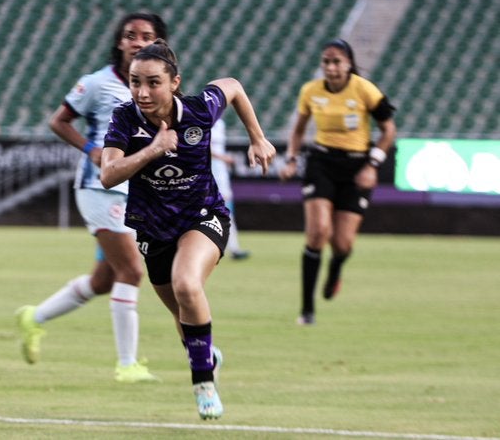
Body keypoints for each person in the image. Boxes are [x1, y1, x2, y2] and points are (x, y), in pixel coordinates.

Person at [100, 39, 275, 419]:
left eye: (153, 82)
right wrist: (153, 149)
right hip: (151, 226)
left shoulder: (199, 110)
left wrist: (257, 137)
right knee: (182, 314)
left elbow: (233, 86)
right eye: (135, 82)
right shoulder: (124, 118)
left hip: (203, 215)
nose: (143, 92)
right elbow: (108, 174)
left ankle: (203, 383)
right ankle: (206, 355)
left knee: (186, 284)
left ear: (174, 82)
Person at [14, 13, 167, 383]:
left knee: (103, 281)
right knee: (131, 271)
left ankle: (33, 318)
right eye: (130, 35)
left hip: (134, 192)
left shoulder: (158, 89)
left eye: (146, 36)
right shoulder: (98, 84)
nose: (137, 41)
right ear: (119, 42)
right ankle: (127, 364)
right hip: (100, 188)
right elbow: (59, 120)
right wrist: (91, 150)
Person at [279, 39, 396, 326]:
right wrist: (292, 159)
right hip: (322, 162)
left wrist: (373, 164)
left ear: (348, 64)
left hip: (357, 166)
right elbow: (298, 130)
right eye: (326, 62)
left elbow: (388, 130)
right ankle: (307, 310)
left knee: (342, 244)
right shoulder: (310, 91)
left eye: (337, 62)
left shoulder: (365, 90)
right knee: (318, 232)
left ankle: (335, 270)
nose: (331, 68)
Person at [210, 118, 249, 260]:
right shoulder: (201, 119)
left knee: (226, 209)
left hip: (220, 174)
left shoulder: (220, 123)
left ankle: (234, 247)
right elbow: (201, 147)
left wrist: (222, 160)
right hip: (207, 172)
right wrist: (222, 158)